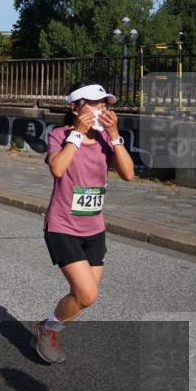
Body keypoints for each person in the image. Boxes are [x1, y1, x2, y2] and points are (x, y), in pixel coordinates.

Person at [32, 81, 135, 364]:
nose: (100, 109)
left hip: (94, 229)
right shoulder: (59, 135)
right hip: (62, 226)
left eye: (103, 104)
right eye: (92, 103)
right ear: (75, 108)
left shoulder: (105, 139)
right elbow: (57, 168)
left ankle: (48, 327)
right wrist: (77, 134)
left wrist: (114, 135)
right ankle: (48, 329)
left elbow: (128, 174)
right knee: (87, 294)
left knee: (85, 296)